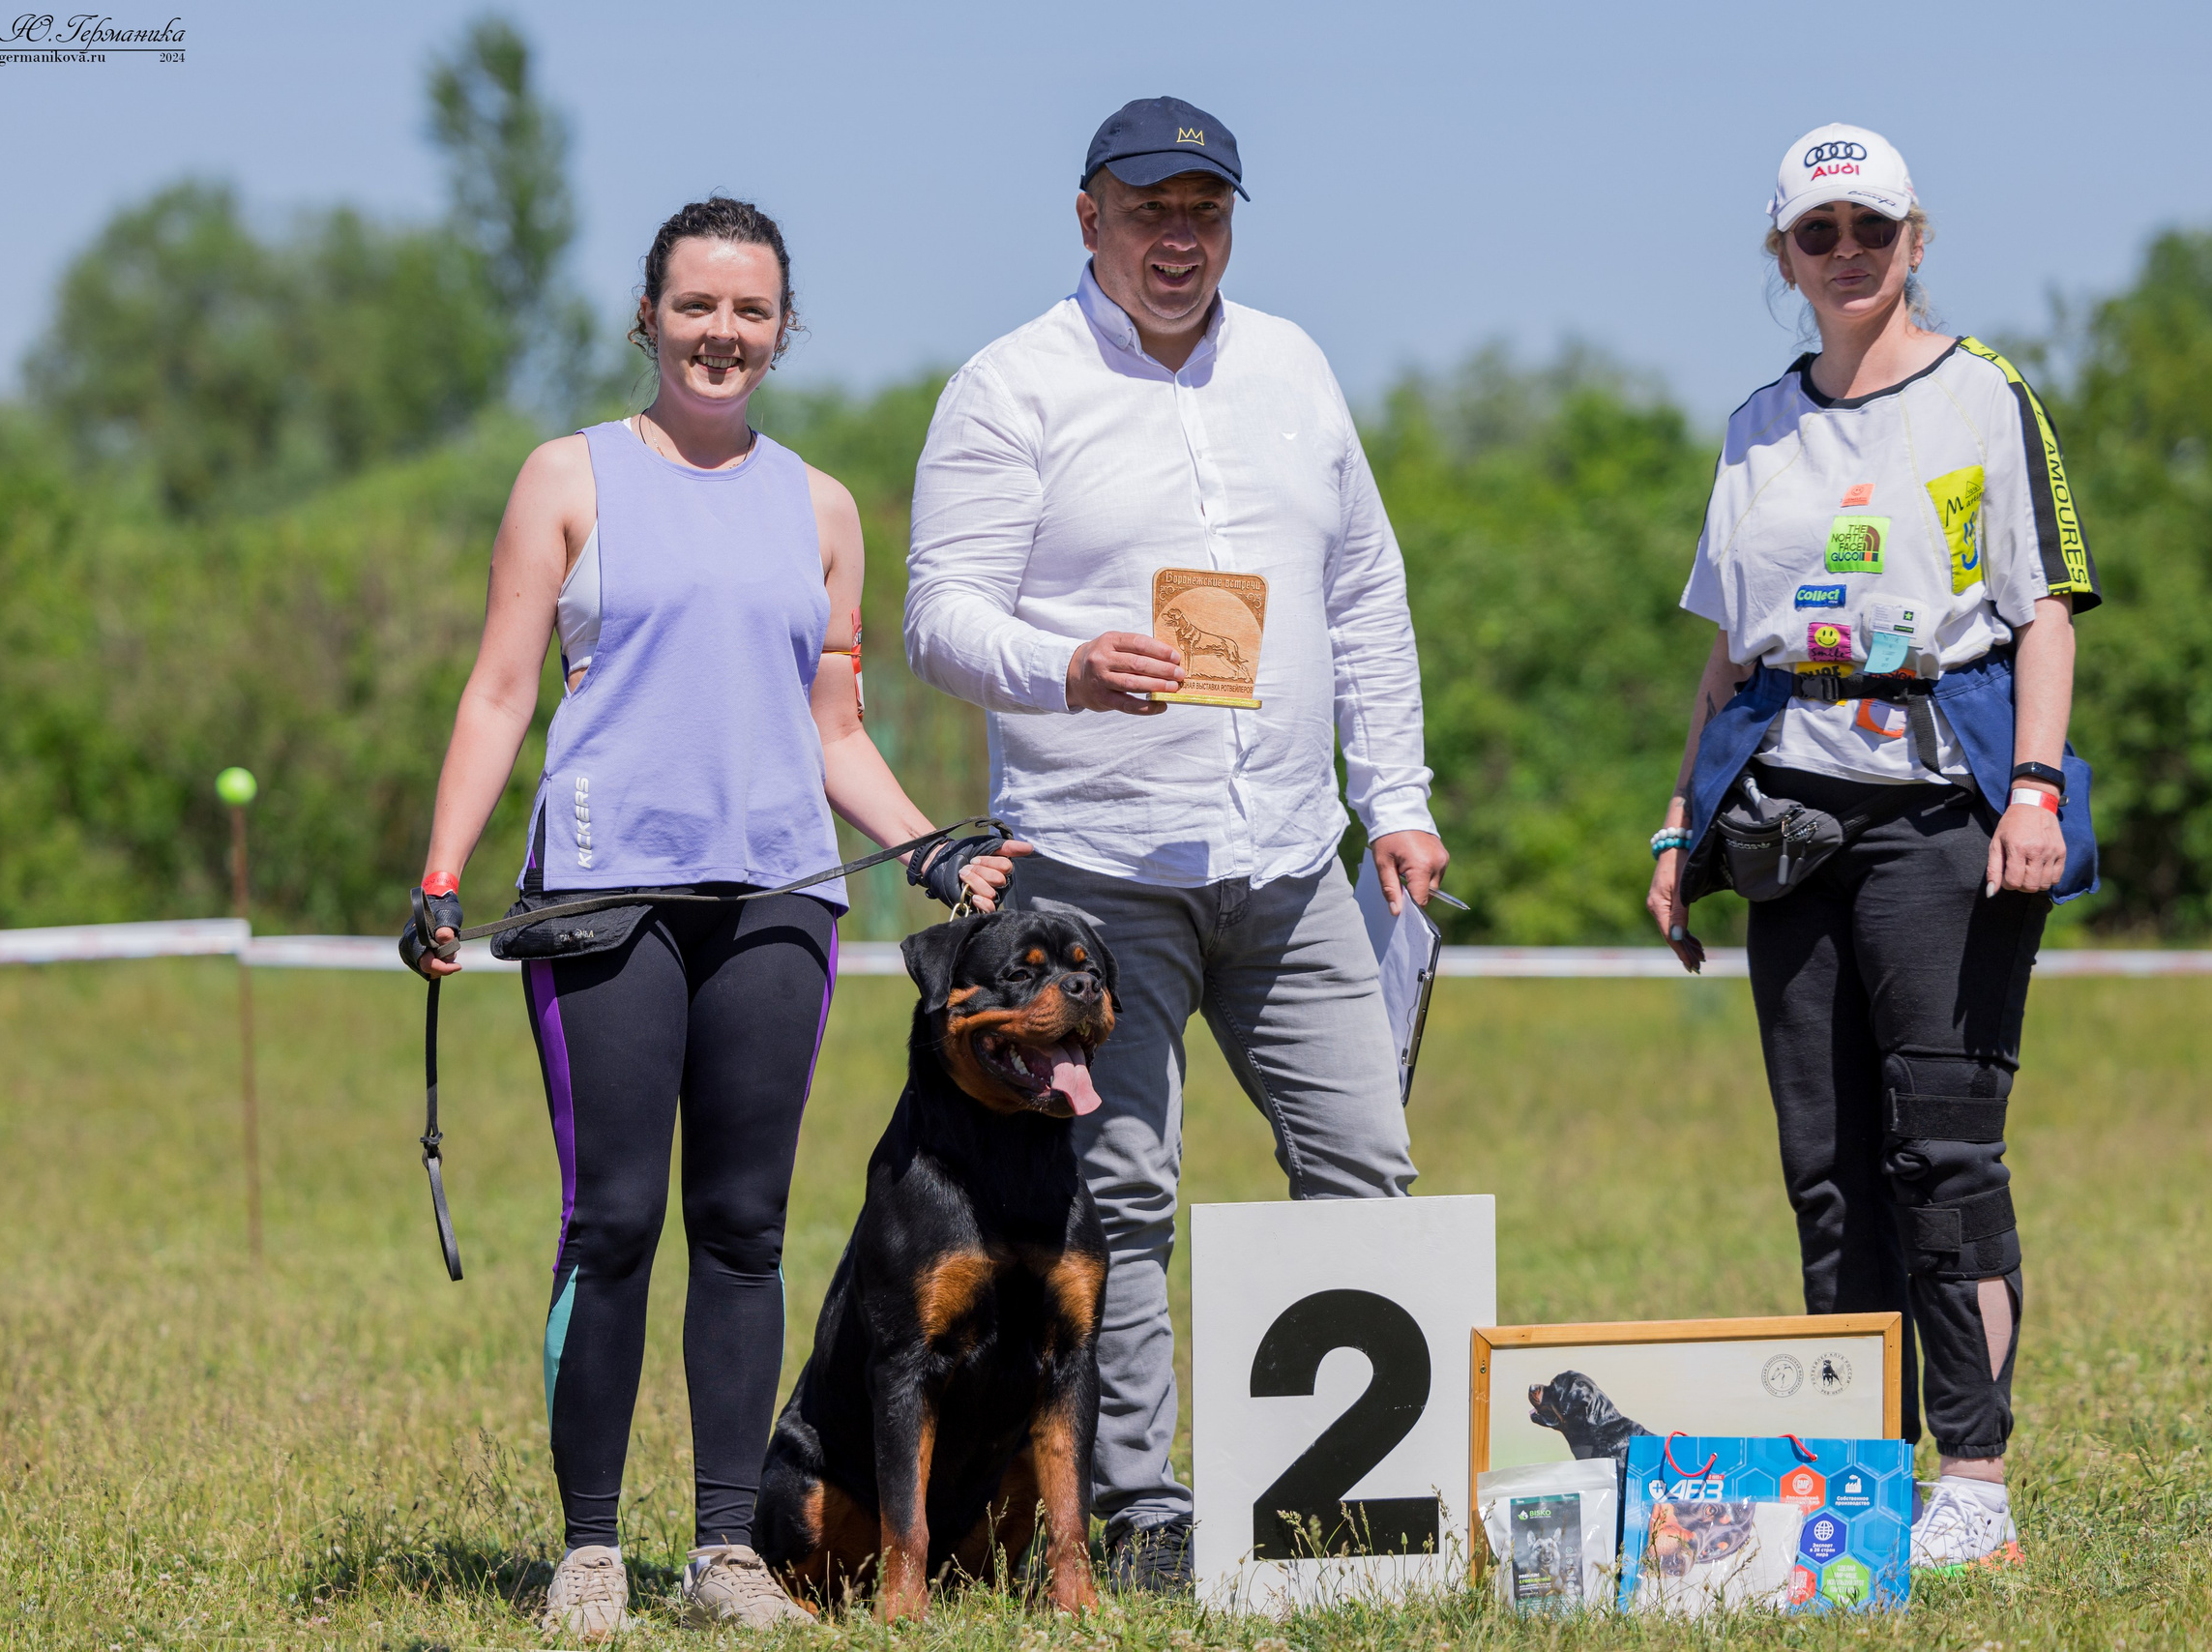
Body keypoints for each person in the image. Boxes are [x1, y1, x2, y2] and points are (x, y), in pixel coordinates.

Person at [404, 196, 1025, 1639]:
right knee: (611, 1222)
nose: (722, 333)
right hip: (605, 905)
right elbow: (500, 693)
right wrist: (441, 874)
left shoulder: (819, 508)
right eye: (697, 306)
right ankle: (590, 1554)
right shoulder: (569, 478)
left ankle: (728, 1552)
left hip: (774, 908)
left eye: (750, 311)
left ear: (783, 328)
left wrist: (930, 852)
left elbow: (834, 730)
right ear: (648, 317)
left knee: (744, 1229)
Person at [902, 97, 1449, 1589]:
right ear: (1088, 218)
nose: (1179, 235)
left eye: (1205, 208)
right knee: (1125, 1191)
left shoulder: (1294, 367)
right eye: (1149, 209)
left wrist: (1392, 793)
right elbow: (939, 613)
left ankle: (1360, 1503)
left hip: (1290, 857)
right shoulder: (1008, 387)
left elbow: (1364, 597)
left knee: (1365, 1162)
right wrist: (1062, 663)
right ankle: (1137, 1508)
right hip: (1099, 867)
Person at [1644, 125, 2102, 1571]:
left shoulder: (1987, 396)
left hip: (1945, 814)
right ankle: (1858, 1472)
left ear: (1918, 238)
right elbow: (1726, 660)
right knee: (1827, 1165)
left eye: (1871, 228)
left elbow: (2045, 610)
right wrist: (1677, 826)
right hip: (1791, 822)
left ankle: (1974, 1471)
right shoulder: (1752, 428)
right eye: (1816, 234)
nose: (1845, 255)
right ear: (1782, 256)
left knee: (1943, 1154)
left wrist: (2033, 788)